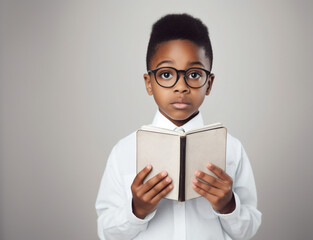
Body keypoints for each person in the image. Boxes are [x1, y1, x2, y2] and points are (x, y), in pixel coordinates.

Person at [95, 13, 262, 240]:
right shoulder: (124, 151)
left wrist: (228, 205)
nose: (181, 87)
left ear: (209, 83)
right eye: (166, 74)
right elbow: (106, 232)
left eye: (194, 74)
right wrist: (137, 210)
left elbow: (248, 230)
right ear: (149, 83)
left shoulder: (232, 150)